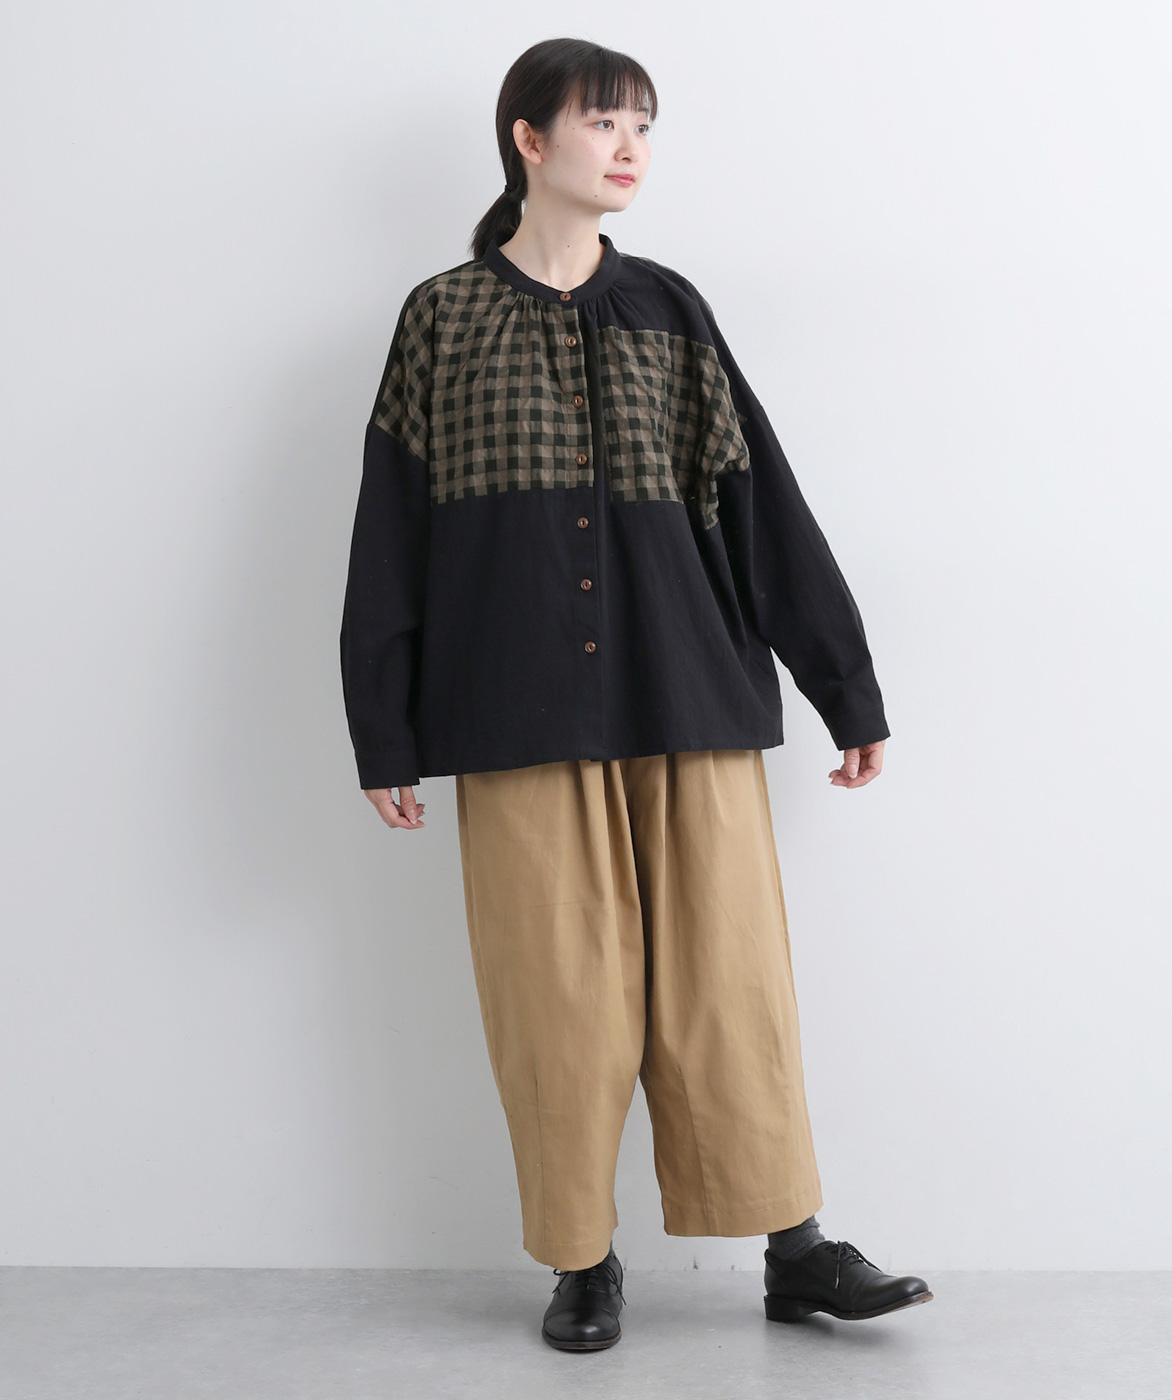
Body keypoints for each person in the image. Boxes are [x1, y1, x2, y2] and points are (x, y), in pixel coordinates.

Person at [339, 38, 932, 1351]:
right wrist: (384, 727)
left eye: (644, 127)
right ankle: (582, 1259)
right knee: (557, 1001)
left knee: (732, 987)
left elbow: (756, 497)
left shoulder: (668, 309)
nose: (629, 148)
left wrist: (845, 688)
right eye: (604, 121)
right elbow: (392, 532)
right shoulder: (443, 317)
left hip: (690, 695)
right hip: (516, 711)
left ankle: (796, 1247)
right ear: (528, 138)